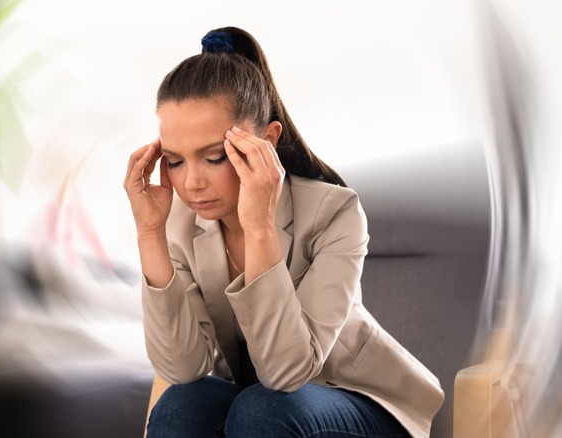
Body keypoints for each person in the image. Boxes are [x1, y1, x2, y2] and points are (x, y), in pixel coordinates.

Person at [123, 26, 444, 438]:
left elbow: (286, 373)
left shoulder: (335, 212)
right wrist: (149, 233)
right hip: (258, 402)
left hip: (361, 403)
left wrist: (257, 228)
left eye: (215, 157)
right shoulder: (180, 222)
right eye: (175, 161)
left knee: (262, 410)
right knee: (182, 404)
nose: (191, 183)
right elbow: (183, 368)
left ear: (267, 142)